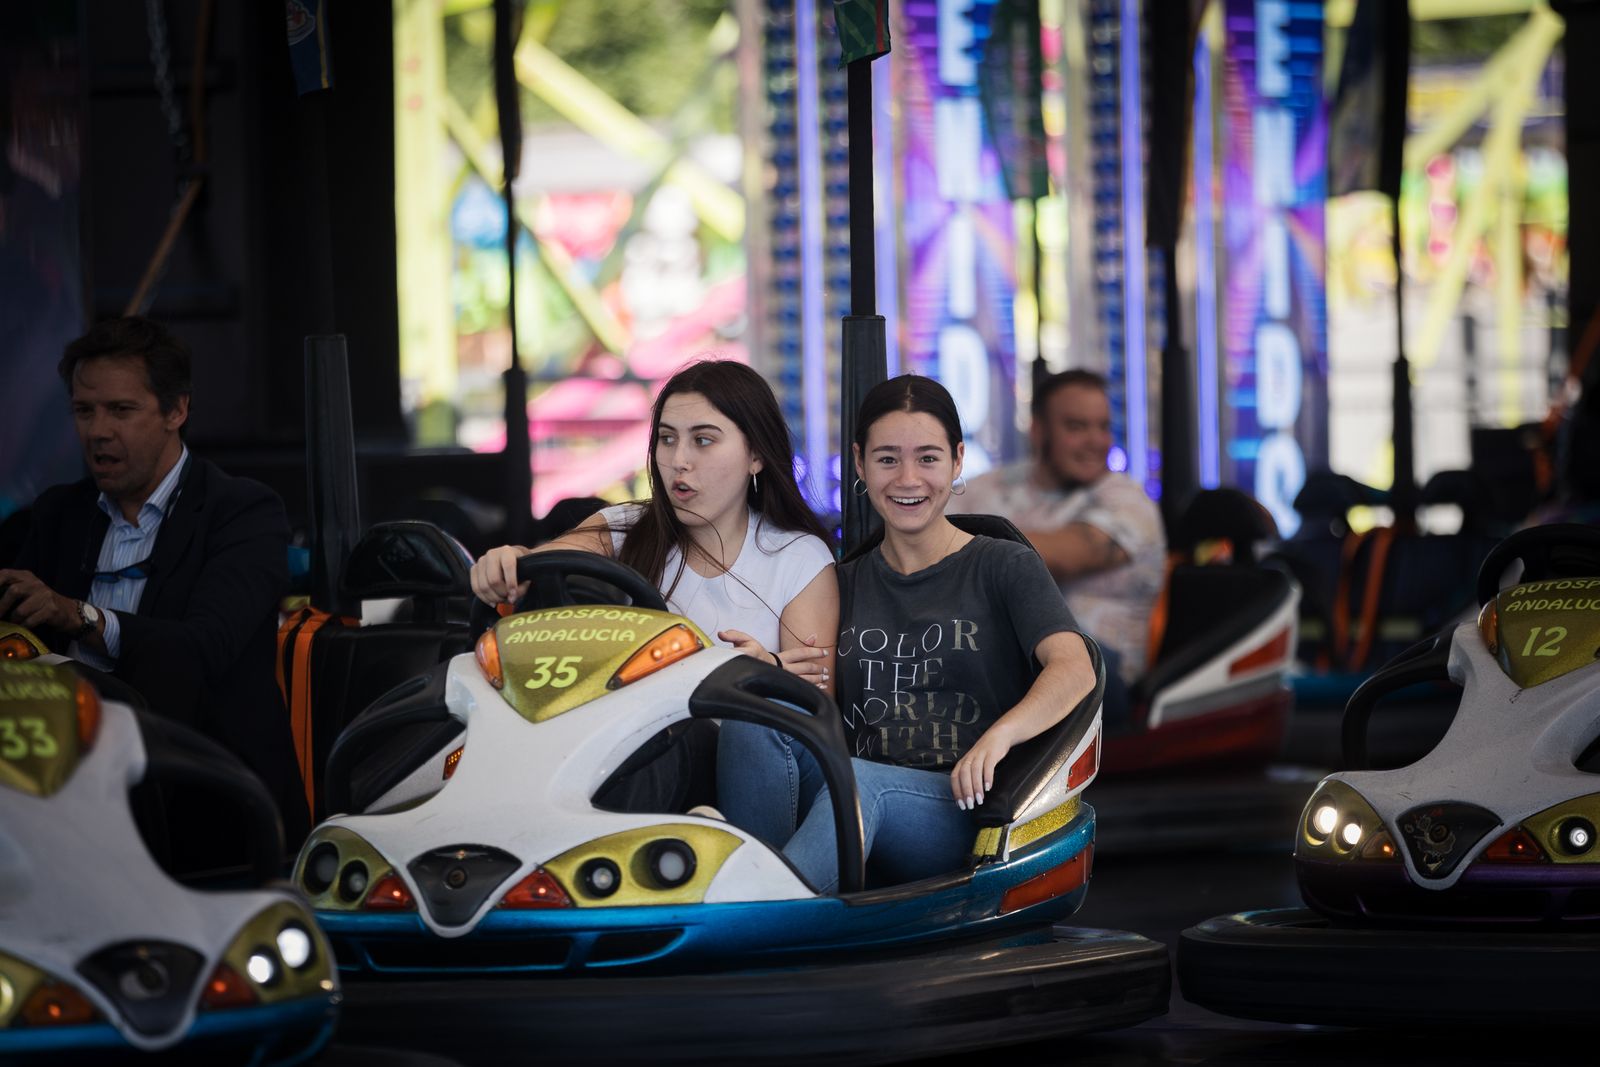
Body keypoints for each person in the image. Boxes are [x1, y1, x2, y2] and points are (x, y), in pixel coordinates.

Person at [718, 375, 1099, 894]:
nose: (907, 479)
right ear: (860, 464)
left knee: (859, 784)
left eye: (927, 458)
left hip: (960, 803)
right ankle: (752, 887)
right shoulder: (840, 581)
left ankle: (750, 916)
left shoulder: (1002, 564)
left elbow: (1074, 667)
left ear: (957, 461)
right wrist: (775, 670)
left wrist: (1000, 735)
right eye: (887, 459)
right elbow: (817, 692)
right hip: (851, 790)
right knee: (750, 723)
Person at [470, 360, 838, 811]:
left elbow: (816, 711)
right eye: (667, 439)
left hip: (744, 776)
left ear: (756, 455)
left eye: (703, 440)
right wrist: (506, 563)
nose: (679, 460)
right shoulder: (623, 529)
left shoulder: (797, 557)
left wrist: (765, 671)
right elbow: (537, 566)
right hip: (627, 756)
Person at [0, 316, 307, 844]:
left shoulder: (243, 512)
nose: (98, 431)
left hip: (210, 804)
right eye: (84, 411)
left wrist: (77, 615)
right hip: (68, 805)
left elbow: (202, 648)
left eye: (121, 410)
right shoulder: (56, 516)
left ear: (177, 410)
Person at [955, 369, 1164, 719]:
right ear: (1039, 431)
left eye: (1103, 426)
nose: (1096, 441)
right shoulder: (988, 488)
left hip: (1098, 672)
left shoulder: (1126, 500)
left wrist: (941, 550)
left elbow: (1061, 557)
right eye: (1077, 427)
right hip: (999, 652)